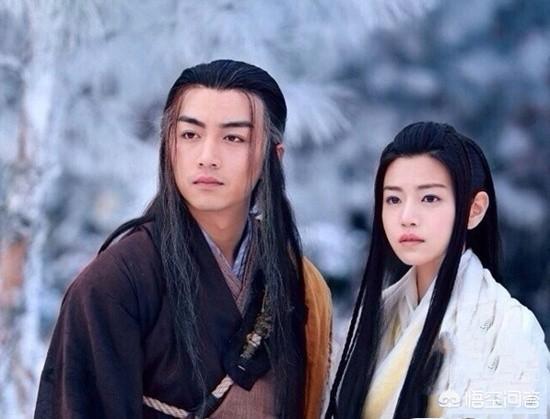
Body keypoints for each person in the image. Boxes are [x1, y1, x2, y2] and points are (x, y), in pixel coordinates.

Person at [34, 59, 332, 419]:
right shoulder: (115, 282)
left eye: (233, 138)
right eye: (190, 135)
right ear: (168, 146)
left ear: (274, 156)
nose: (207, 157)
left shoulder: (299, 282)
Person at [326, 121, 549, 418]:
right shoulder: (370, 319)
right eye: (393, 199)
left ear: (474, 209)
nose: (406, 217)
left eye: (429, 198)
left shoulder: (509, 329)